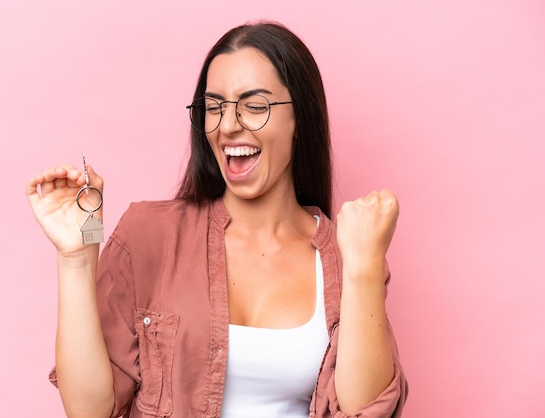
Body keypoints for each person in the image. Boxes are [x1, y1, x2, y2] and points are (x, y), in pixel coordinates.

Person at [26, 21, 407, 418]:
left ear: (301, 120)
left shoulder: (347, 254)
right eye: (213, 107)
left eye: (255, 106)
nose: (227, 126)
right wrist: (76, 258)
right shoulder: (148, 235)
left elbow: (366, 411)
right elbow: (90, 410)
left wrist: (364, 267)